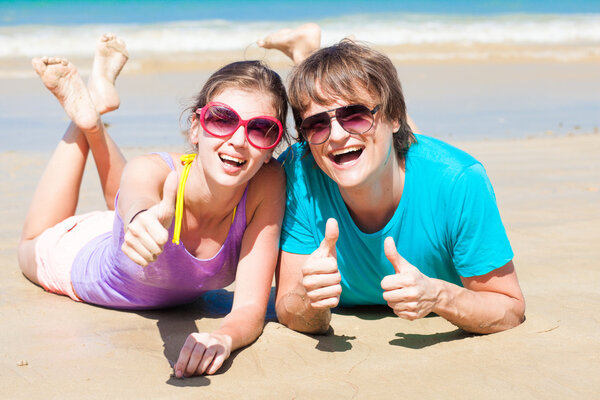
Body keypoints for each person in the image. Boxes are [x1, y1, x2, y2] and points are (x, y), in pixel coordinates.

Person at [18, 34, 289, 377]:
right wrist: (139, 219)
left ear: (272, 146)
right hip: (75, 253)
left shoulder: (267, 184)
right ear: (196, 127)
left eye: (261, 129)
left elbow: (249, 307)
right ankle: (85, 120)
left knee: (135, 220)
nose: (238, 139)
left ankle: (95, 108)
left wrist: (223, 337)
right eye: (222, 119)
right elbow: (136, 191)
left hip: (116, 229)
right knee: (29, 243)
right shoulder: (156, 171)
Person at [258, 25, 526, 334]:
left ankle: (316, 58)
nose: (336, 134)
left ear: (395, 114)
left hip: (415, 158)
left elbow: (509, 308)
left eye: (355, 115)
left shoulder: (458, 182)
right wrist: (309, 298)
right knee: (358, 132)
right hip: (381, 151)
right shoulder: (298, 175)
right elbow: (289, 308)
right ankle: (308, 54)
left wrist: (440, 295)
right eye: (317, 124)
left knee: (402, 146)